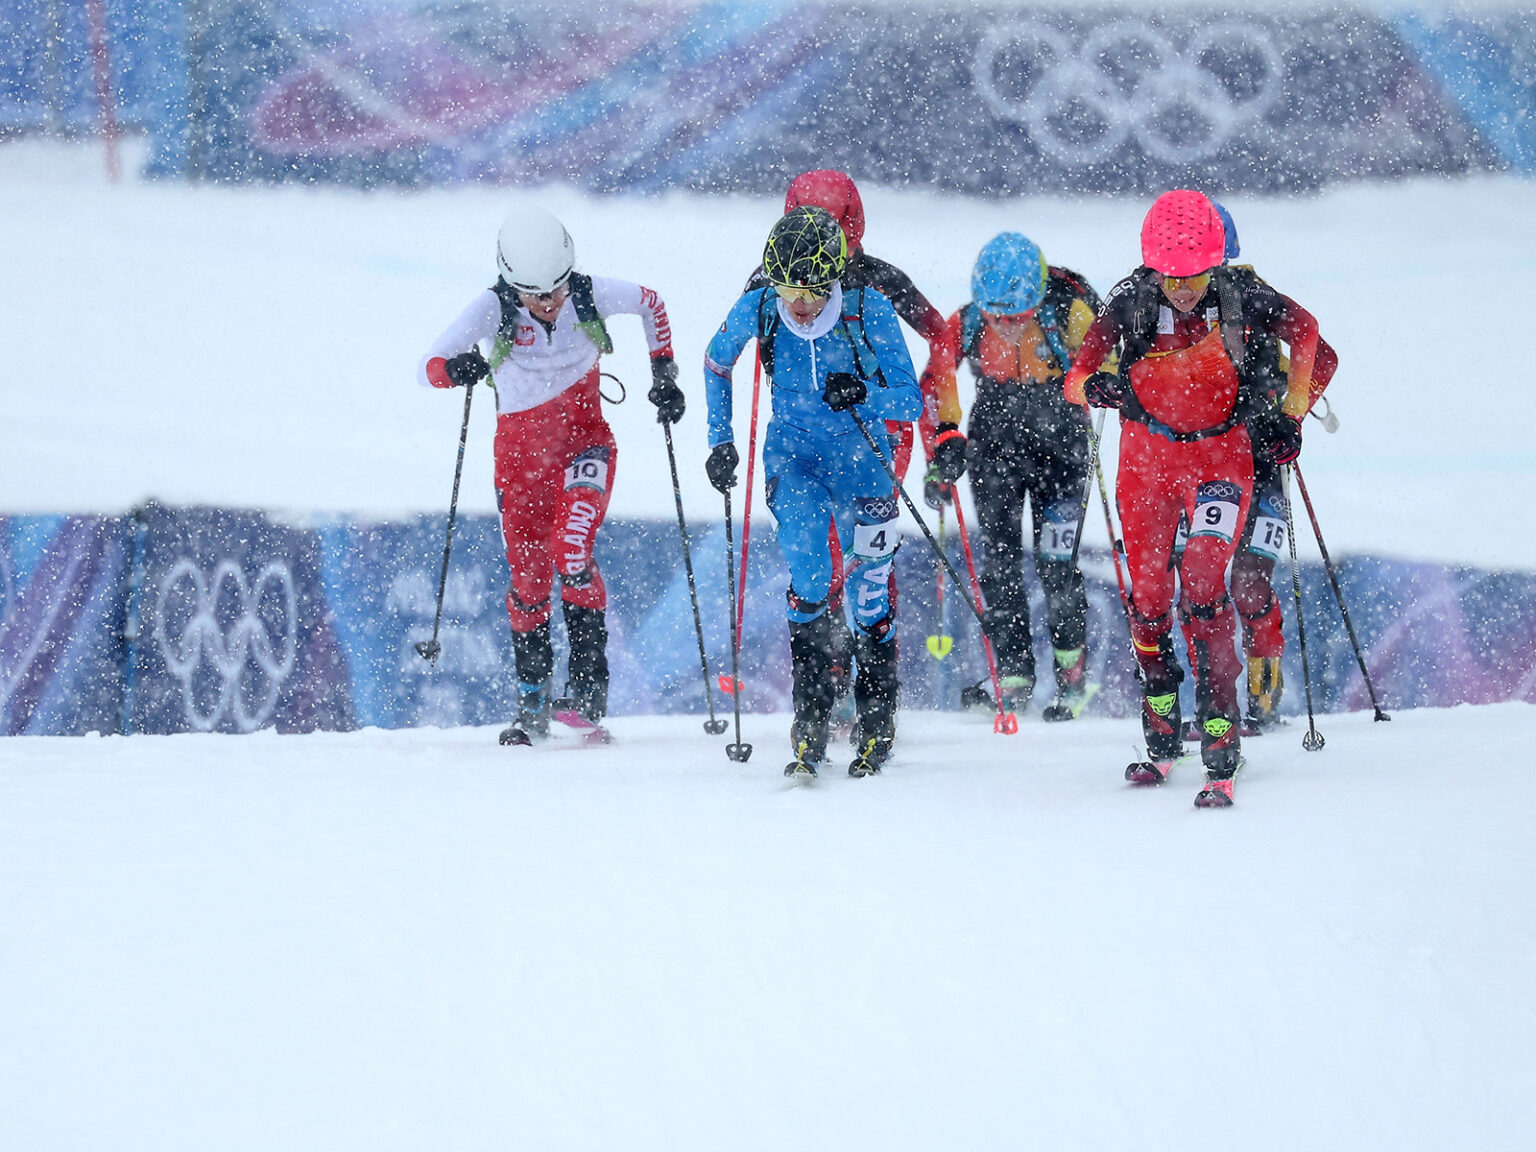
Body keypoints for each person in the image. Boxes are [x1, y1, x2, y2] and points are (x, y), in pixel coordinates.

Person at [1062, 190, 1321, 808]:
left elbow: (1309, 334)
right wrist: (1096, 387)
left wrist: (1292, 412)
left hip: (1220, 462)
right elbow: (1074, 377)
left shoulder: (1240, 296)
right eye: (1171, 277)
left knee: (1204, 582)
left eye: (1195, 276)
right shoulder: (1130, 301)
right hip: (1146, 467)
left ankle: (1220, 733)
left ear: (1216, 263)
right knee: (1148, 599)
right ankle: (1159, 729)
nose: (1182, 289)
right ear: (1152, 266)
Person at [418, 206, 682, 745]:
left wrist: (664, 373)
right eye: (536, 294)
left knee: (574, 552)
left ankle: (588, 689)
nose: (550, 302)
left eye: (558, 289)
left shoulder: (589, 294)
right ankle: (533, 698)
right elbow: (428, 367)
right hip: (518, 471)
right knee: (531, 582)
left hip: (585, 449)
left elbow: (652, 303)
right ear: (510, 282)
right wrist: (457, 371)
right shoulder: (491, 309)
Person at [705, 205, 921, 778]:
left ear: (834, 279)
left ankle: (876, 722)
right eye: (788, 289)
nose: (799, 303)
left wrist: (865, 396)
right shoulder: (760, 307)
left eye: (812, 289)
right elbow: (715, 361)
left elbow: (910, 398)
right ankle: (811, 723)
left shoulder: (865, 308)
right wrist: (719, 439)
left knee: (869, 598)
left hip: (864, 463)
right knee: (809, 575)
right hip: (795, 459)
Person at [746, 170, 959, 713]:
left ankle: (869, 679)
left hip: (880, 429)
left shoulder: (881, 281)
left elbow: (941, 335)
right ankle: (835, 673)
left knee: (866, 553)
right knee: (824, 551)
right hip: (808, 434)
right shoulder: (768, 279)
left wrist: (943, 425)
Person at [923, 232, 1103, 720]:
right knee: (1000, 562)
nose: (1003, 327)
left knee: (1057, 565)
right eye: (995, 315)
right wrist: (942, 447)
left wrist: (1099, 390)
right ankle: (1014, 673)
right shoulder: (964, 323)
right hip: (994, 445)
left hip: (1061, 447)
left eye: (1017, 316)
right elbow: (935, 383)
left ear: (1039, 299)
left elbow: (1110, 367)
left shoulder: (1071, 313)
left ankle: (1072, 679)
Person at [1209, 202, 1339, 732]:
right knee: (1201, 585)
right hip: (1200, 464)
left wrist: (1293, 415)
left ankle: (1264, 694)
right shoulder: (1159, 303)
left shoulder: (1257, 297)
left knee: (1249, 585)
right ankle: (1216, 705)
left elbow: (1323, 358)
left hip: (1261, 460)